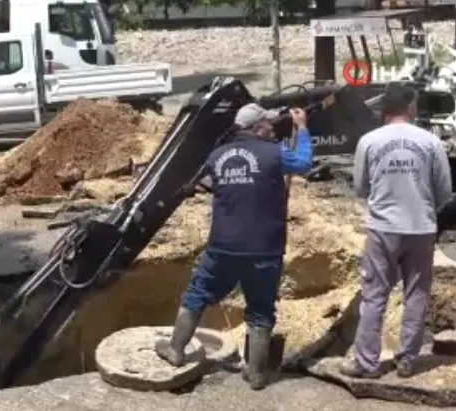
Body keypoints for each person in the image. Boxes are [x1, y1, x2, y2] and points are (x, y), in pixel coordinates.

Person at [154, 103, 313, 391]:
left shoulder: (216, 156)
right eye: (267, 123)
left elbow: (205, 184)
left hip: (223, 246)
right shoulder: (274, 153)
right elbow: (303, 163)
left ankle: (175, 350)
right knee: (261, 310)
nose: (272, 126)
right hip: (265, 247)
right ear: (257, 128)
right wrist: (301, 128)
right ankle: (255, 374)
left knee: (197, 296)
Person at [339, 82, 452, 379]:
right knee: (416, 294)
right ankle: (407, 360)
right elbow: (445, 191)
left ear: (384, 111)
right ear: (410, 108)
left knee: (374, 294)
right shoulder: (430, 142)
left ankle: (366, 363)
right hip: (421, 227)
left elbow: (361, 187)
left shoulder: (369, 141)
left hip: (383, 228)